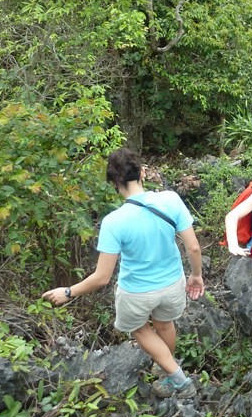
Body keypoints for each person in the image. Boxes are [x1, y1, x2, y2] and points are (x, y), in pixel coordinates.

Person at [42, 148, 204, 399]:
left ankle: (178, 378)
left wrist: (68, 292)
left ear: (114, 182)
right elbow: (193, 246)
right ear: (141, 173)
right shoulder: (171, 199)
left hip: (137, 292)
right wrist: (196, 275)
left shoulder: (114, 221)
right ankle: (167, 368)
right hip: (173, 283)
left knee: (140, 329)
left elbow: (102, 277)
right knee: (164, 323)